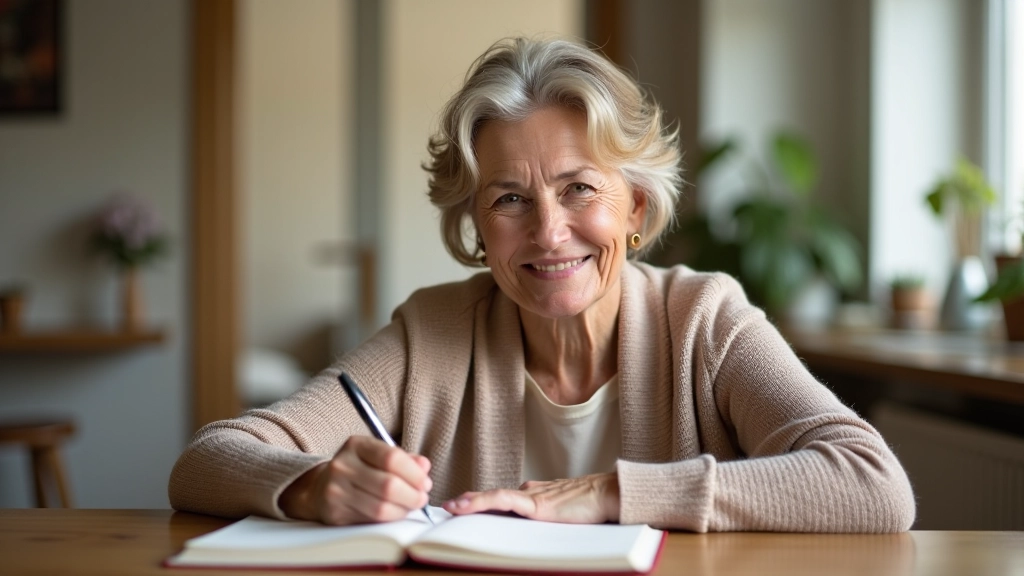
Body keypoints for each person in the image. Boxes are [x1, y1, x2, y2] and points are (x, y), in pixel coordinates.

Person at [169, 37, 915, 533]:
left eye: (580, 189)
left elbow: (874, 485)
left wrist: (606, 494)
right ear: (477, 230)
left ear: (638, 209)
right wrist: (308, 487)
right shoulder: (432, 331)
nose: (549, 232)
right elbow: (208, 457)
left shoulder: (704, 319)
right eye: (509, 199)